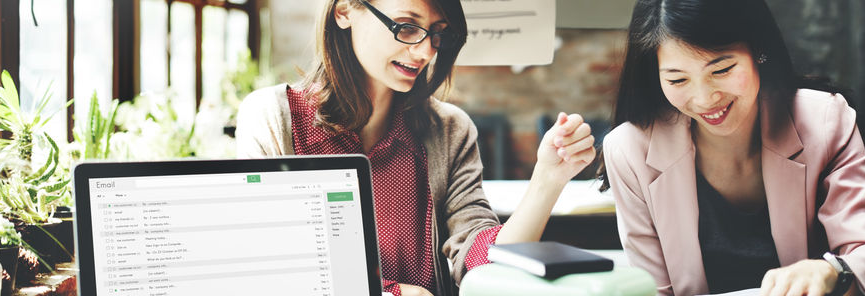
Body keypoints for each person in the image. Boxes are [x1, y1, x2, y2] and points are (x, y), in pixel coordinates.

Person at [235, 0, 596, 295]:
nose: (425, 51)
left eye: (437, 33)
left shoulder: (450, 131)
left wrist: (548, 179)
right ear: (344, 10)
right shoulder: (273, 119)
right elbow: (271, 269)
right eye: (406, 26)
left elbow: (483, 263)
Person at [598, 0, 865, 295]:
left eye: (721, 70)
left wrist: (832, 272)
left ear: (758, 50)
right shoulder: (629, 150)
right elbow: (652, 291)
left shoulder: (825, 121)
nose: (705, 99)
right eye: (678, 80)